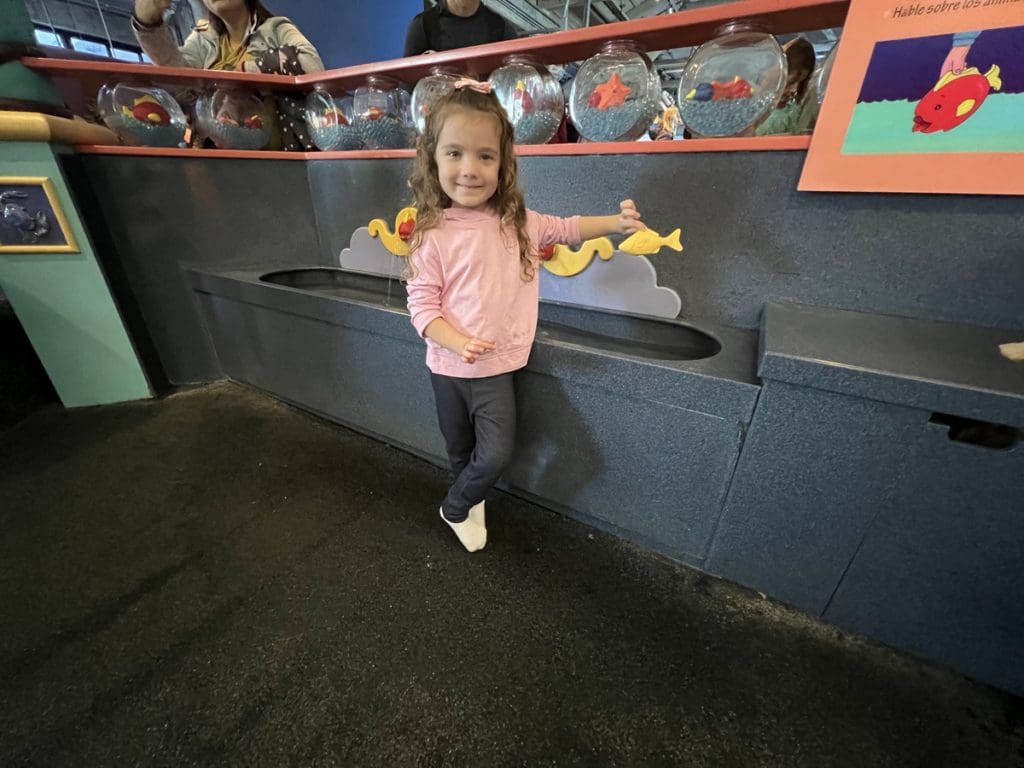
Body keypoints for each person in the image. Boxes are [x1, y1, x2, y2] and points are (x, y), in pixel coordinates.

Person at [404, 81, 646, 552]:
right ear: (433, 159)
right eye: (454, 154)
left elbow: (570, 227)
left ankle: (454, 506)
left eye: (485, 157)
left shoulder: (520, 223)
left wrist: (616, 225)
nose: (469, 170)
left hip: (495, 369)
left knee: (492, 454)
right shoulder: (431, 234)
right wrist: (455, 341)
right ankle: (469, 502)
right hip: (446, 368)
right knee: (459, 451)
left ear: (503, 163)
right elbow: (422, 307)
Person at [131, 0, 324, 150]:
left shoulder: (275, 28)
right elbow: (176, 74)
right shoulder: (202, 39)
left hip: (277, 159)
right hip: (219, 162)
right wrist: (148, 26)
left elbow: (312, 64)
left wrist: (242, 72)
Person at [404, 0, 516, 57]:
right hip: (439, 101)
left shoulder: (500, 27)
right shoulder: (424, 25)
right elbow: (408, 82)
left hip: (485, 101)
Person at [755, 36, 816, 136]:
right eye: (791, 81)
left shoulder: (796, 114)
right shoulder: (745, 104)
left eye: (801, 82)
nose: (794, 89)